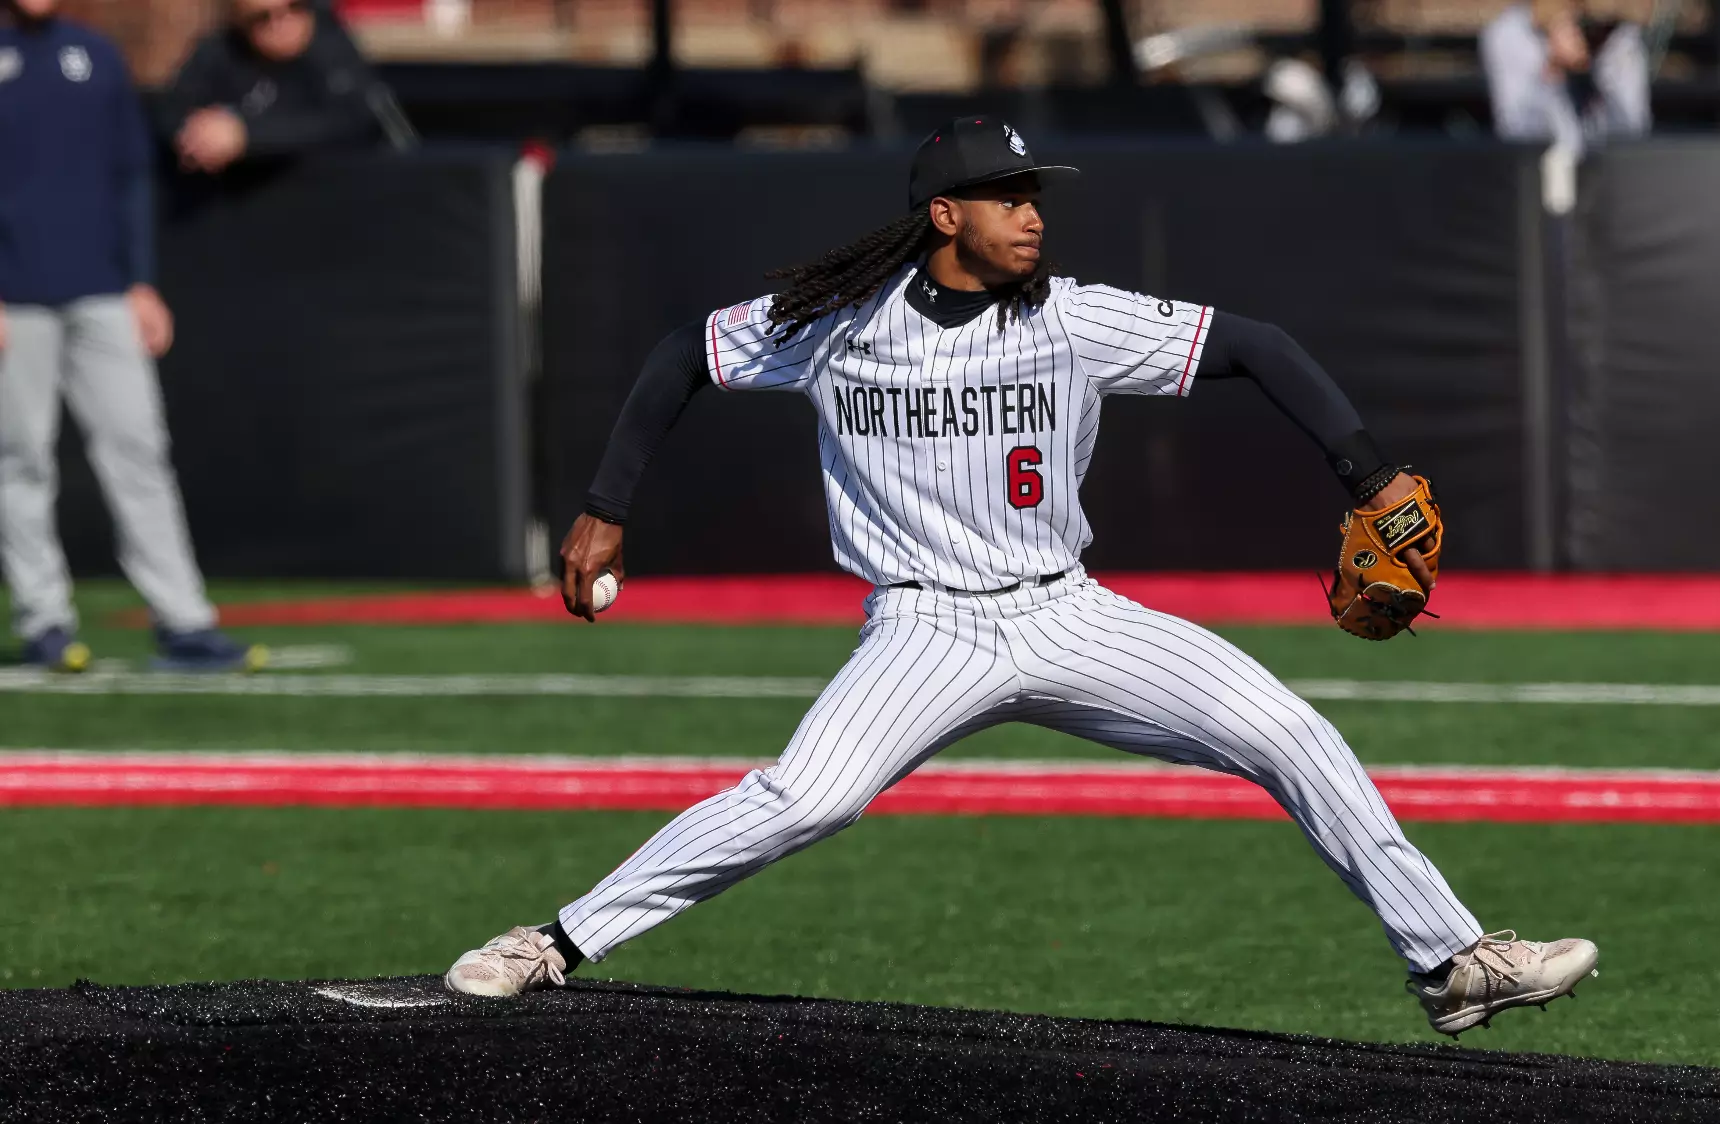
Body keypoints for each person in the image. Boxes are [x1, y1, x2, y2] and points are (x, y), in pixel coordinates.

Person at [442, 118, 1600, 1038]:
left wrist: (1369, 472)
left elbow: (1258, 345)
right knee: (807, 796)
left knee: (1290, 732)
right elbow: (680, 356)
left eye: (1035, 195)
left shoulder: (1073, 320)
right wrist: (604, 503)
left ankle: (1453, 964)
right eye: (1009, 196)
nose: (1032, 214)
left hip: (1067, 610)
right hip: (922, 627)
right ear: (945, 214)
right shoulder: (839, 321)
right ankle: (551, 939)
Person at [0, 0, 260, 671]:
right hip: (14, 300)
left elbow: (131, 173)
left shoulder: (97, 56)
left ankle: (184, 621)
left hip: (102, 290)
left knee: (139, 450)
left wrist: (141, 281)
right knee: (20, 458)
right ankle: (45, 623)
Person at [157, 0, 400, 177]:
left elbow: (352, 119)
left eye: (294, 8)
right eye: (262, 18)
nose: (281, 24)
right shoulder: (221, 52)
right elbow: (171, 112)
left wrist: (246, 136)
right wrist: (199, 135)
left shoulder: (329, 45)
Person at [1482, 0, 1651, 149]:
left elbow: (1632, 129)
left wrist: (1591, 71)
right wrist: (1553, 70)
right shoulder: (1510, 32)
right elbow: (1517, 129)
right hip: (1533, 170)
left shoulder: (1620, 40)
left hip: (1607, 170)